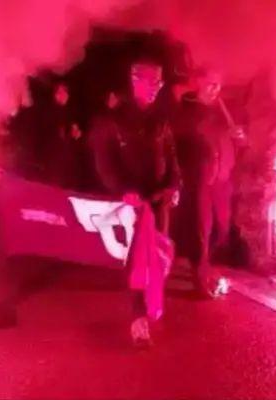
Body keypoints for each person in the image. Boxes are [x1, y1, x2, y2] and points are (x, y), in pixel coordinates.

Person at [89, 59, 181, 345]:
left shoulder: (161, 121)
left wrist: (174, 186)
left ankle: (150, 308)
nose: (155, 87)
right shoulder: (113, 121)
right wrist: (123, 190)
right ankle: (138, 319)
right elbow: (104, 164)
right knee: (139, 263)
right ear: (134, 80)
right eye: (150, 81)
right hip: (132, 205)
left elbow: (172, 160)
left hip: (159, 203)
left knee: (160, 260)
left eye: (159, 82)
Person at [171, 68, 243, 297]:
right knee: (202, 229)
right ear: (199, 82)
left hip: (222, 179)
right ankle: (201, 277)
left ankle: (200, 262)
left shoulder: (221, 110)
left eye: (219, 85)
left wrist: (238, 138)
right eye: (211, 83)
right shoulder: (186, 110)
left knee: (221, 228)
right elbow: (184, 139)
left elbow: (232, 142)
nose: (215, 89)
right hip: (199, 179)